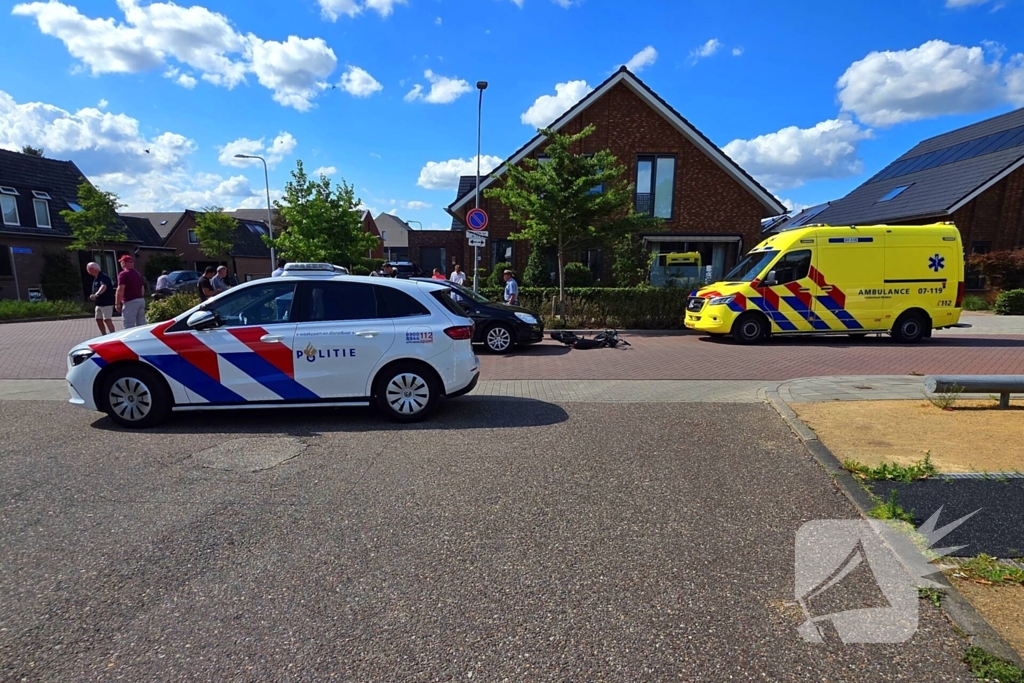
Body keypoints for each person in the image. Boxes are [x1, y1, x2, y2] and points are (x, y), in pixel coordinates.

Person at [114, 255, 147, 328]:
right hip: (140, 300)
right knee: (141, 324)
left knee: (129, 324)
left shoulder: (123, 274)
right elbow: (142, 288)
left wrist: (117, 303)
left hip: (130, 301)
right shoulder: (138, 274)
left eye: (121, 262)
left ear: (123, 263)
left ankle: (129, 339)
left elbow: (120, 289)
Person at [86, 261, 116, 335]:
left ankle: (113, 335)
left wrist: (96, 294)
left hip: (107, 303)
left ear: (92, 269)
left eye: (88, 269)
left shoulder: (103, 276)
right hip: (99, 303)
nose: (87, 271)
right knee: (98, 319)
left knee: (107, 319)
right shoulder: (96, 278)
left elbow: (103, 286)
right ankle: (104, 335)